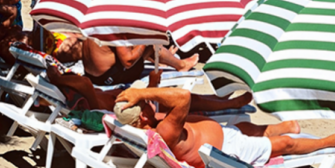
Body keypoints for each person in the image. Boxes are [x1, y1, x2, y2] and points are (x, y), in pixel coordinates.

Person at [112, 86, 335, 168]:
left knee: (243, 126)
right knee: (285, 144)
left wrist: (149, 87)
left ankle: (282, 127)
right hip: (227, 151)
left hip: (225, 137)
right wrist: (142, 92)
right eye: (144, 104)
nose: (148, 102)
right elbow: (183, 97)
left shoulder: (150, 124)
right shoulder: (164, 131)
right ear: (142, 116)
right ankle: (331, 141)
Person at [45, 64, 252, 113]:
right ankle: (229, 103)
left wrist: (59, 78)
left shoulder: (80, 96)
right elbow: (146, 111)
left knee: (192, 98)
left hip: (132, 99)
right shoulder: (92, 101)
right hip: (139, 108)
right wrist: (152, 85)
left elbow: (83, 83)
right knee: (189, 99)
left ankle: (222, 100)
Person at [53, 35, 199, 87]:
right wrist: (147, 38)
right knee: (150, 43)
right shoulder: (115, 26)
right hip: (108, 79)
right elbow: (128, 61)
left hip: (93, 76)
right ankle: (181, 65)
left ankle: (166, 60)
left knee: (140, 44)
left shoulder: (97, 20)